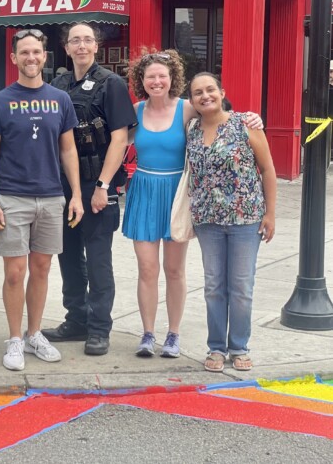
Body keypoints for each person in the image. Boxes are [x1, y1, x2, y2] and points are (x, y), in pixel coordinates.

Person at [123, 50, 263, 359]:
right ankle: (147, 334)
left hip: (179, 195)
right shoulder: (134, 111)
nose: (157, 81)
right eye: (150, 77)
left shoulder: (187, 109)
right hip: (144, 192)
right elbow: (117, 143)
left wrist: (251, 117)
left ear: (172, 78)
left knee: (174, 269)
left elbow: (220, 118)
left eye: (162, 75)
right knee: (147, 268)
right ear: (141, 81)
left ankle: (173, 335)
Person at [0, 29, 84, 371]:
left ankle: (34, 333)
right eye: (24, 52)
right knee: (15, 272)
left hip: (52, 197)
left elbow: (68, 150)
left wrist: (76, 196)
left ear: (44, 56)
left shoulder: (60, 99)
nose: (31, 58)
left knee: (41, 269)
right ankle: (13, 339)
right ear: (13, 58)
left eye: (36, 52)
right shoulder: (0, 101)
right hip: (12, 197)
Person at [42, 23, 136, 356]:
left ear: (96, 46)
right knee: (67, 255)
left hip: (97, 183)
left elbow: (120, 138)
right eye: (74, 41)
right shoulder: (58, 84)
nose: (81, 46)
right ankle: (77, 319)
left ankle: (99, 328)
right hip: (63, 185)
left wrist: (103, 185)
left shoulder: (112, 84)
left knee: (98, 260)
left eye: (87, 40)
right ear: (66, 48)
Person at [186, 72, 276, 372]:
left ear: (222, 92)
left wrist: (270, 213)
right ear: (192, 100)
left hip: (245, 219)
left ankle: (239, 347)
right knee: (214, 286)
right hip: (207, 220)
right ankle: (216, 348)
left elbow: (268, 169)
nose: (205, 96)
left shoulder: (245, 125)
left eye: (210, 89)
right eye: (198, 92)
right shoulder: (192, 128)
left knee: (241, 286)